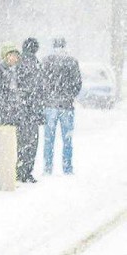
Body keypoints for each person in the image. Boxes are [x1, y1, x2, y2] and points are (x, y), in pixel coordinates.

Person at [0, 43, 34, 184]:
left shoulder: (21, 70)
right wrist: (9, 104)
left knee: (24, 143)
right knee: (6, 145)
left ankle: (22, 172)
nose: (15, 58)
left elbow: (27, 88)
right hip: (4, 115)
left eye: (16, 54)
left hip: (20, 113)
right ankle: (7, 173)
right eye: (12, 54)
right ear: (5, 56)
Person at [42, 38, 82, 175]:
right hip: (66, 106)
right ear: (65, 46)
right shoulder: (72, 61)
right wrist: (69, 96)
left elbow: (41, 82)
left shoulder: (46, 61)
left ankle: (47, 168)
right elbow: (78, 83)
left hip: (50, 105)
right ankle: (67, 168)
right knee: (67, 139)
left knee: (49, 139)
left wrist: (47, 96)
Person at [16, 37, 45, 183]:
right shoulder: (37, 64)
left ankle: (18, 170)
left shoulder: (18, 63)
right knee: (32, 143)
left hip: (21, 109)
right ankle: (27, 171)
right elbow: (41, 89)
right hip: (33, 110)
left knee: (20, 141)